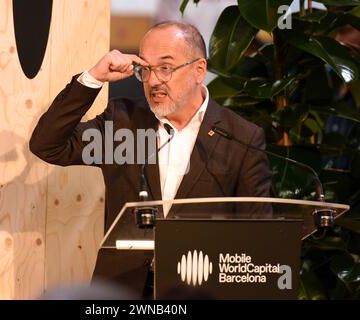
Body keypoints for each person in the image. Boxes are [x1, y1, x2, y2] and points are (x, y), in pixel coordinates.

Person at [29, 21, 271, 297]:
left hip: (199, 290)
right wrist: (93, 78)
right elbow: (47, 145)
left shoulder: (241, 137)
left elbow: (257, 236)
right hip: (123, 289)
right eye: (145, 69)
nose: (153, 80)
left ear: (199, 70)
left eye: (165, 68)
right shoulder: (123, 122)